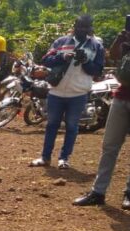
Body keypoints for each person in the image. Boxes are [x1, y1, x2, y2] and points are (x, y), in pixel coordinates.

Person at [29, 15, 104, 170]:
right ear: (74, 25)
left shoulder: (97, 46)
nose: (82, 29)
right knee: (51, 125)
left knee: (71, 127)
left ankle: (64, 159)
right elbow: (46, 60)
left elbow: (97, 71)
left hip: (78, 93)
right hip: (56, 91)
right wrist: (63, 56)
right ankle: (45, 157)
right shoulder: (61, 42)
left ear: (90, 28)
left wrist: (85, 61)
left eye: (85, 27)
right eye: (79, 26)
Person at [73, 29, 130, 209]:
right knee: (109, 146)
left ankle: (129, 193)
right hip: (121, 97)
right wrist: (121, 38)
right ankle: (98, 192)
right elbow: (112, 55)